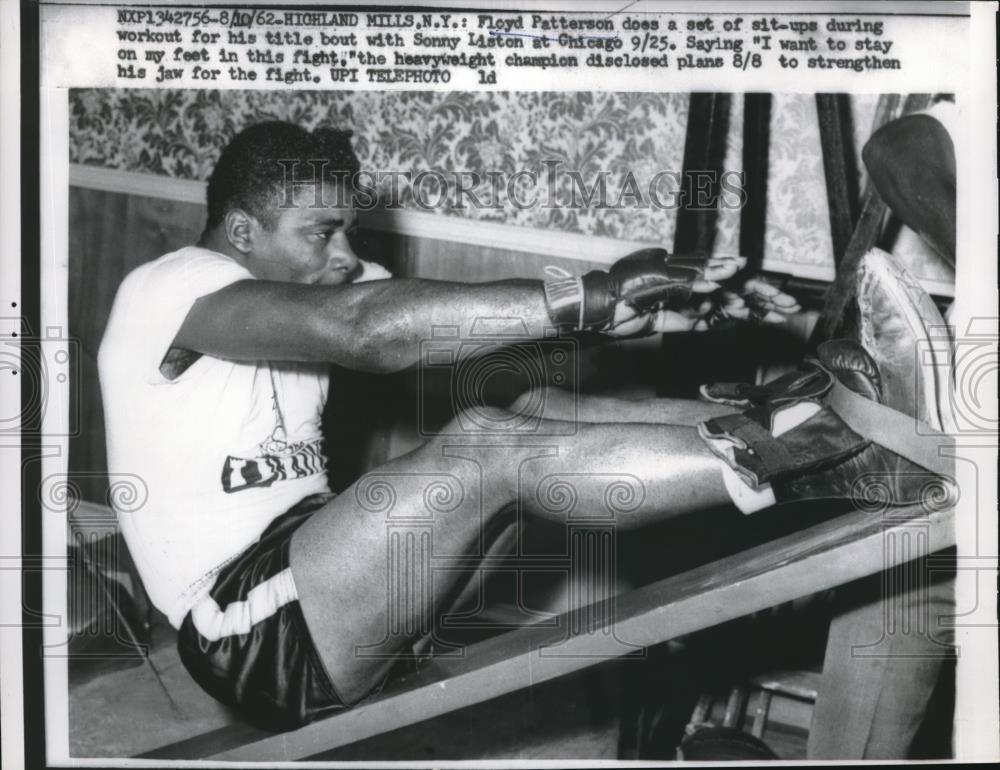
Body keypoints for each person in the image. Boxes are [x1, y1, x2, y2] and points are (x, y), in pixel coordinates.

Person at [99, 121, 931, 732]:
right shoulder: (171, 287)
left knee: (533, 414)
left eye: (346, 230)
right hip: (244, 628)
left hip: (317, 579)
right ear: (242, 233)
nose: (346, 253)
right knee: (488, 447)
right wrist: (595, 295)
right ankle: (811, 457)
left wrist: (674, 304)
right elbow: (368, 328)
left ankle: (810, 422)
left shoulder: (316, 287)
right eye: (321, 233)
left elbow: (449, 315)